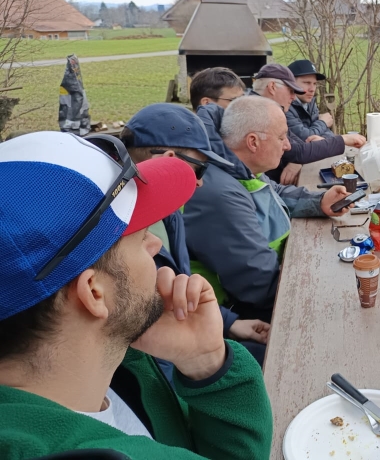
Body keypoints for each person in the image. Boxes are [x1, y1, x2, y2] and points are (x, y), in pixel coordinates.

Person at [0, 131, 272, 458]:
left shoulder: (114, 373)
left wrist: (204, 362)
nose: (155, 244)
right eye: (141, 235)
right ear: (94, 292)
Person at [120, 104, 270, 366]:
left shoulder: (169, 213)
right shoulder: (118, 236)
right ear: (167, 161)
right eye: (200, 169)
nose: (200, 182)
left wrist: (231, 323)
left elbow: (178, 289)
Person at [184, 95, 354, 322]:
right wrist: (324, 290)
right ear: (253, 142)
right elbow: (258, 282)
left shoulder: (237, 168)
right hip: (240, 313)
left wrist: (319, 201)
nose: (288, 145)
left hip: (274, 280)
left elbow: (274, 191)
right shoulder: (221, 195)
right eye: (282, 137)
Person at [251, 64, 365, 185]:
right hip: (269, 185)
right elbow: (299, 151)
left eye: (314, 84)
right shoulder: (259, 113)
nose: (293, 96)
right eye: (290, 91)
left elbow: (300, 147)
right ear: (272, 87)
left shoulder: (264, 108)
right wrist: (342, 139)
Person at [286, 59, 336, 140]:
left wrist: (323, 139)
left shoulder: (310, 103)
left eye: (314, 83)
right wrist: (323, 123)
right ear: (291, 83)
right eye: (307, 83)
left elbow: (329, 135)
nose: (312, 89)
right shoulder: (286, 107)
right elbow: (306, 137)